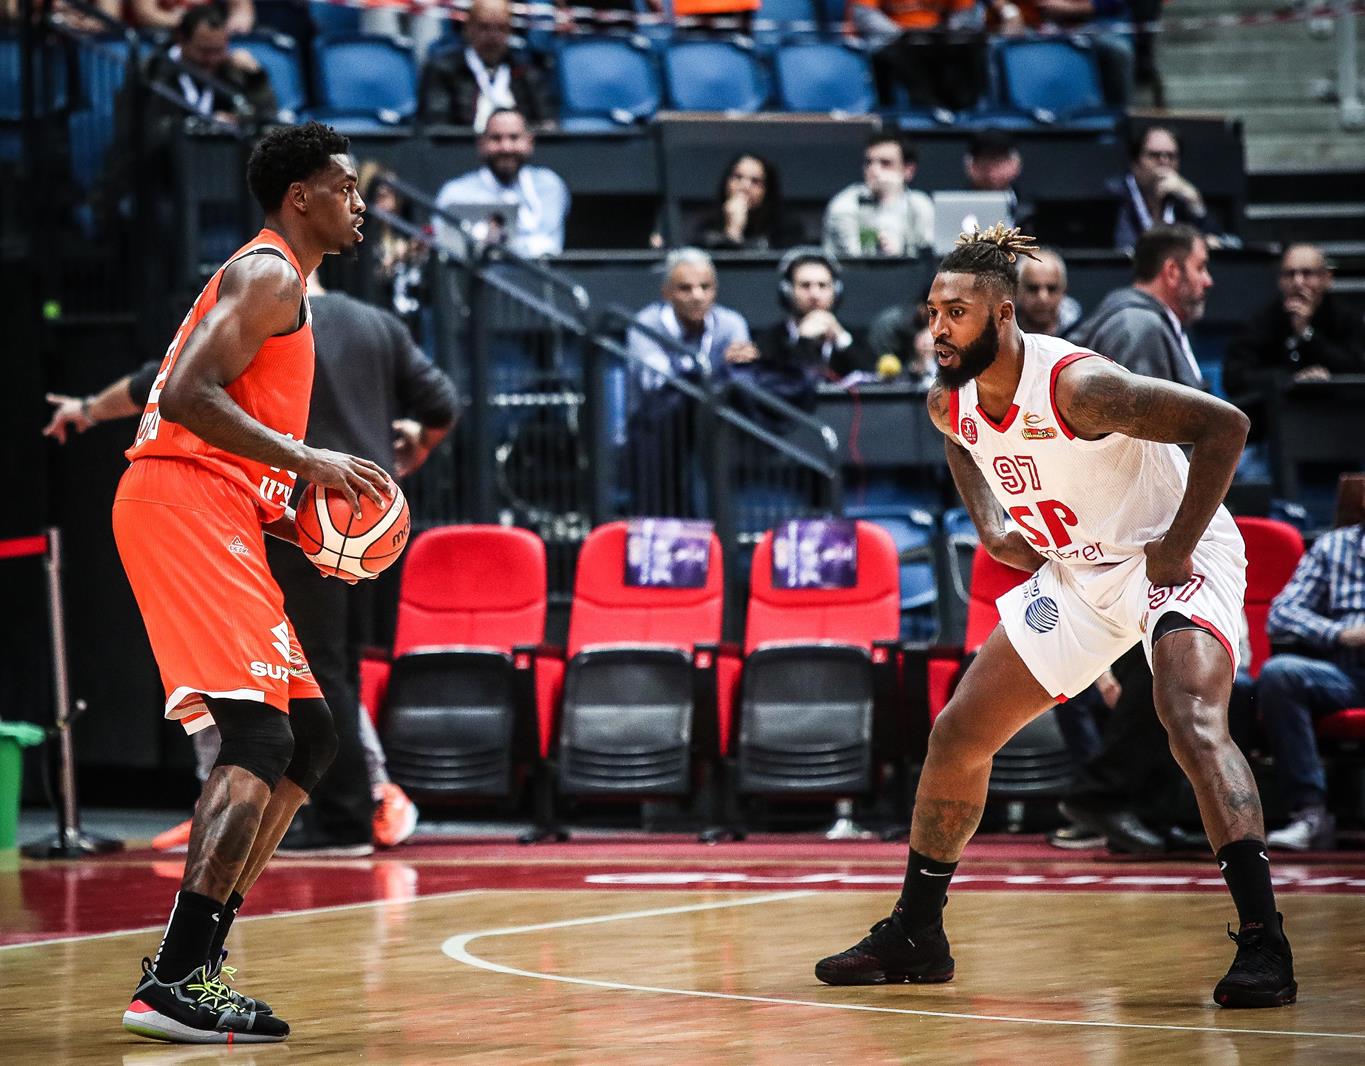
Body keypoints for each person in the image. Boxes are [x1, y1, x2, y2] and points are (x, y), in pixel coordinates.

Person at [816, 224, 1296, 1009]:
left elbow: (1224, 426)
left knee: (1187, 718)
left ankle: (1263, 939)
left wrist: (1175, 547)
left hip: (1170, 554)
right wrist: (989, 526)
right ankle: (916, 933)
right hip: (1078, 571)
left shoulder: (1080, 388)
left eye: (956, 313)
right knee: (958, 735)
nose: (937, 328)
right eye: (932, 313)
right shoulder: (949, 400)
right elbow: (959, 440)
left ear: (1002, 315)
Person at [110, 122, 391, 1044]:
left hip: (217, 506)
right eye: (345, 187)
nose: (359, 203)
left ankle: (197, 966)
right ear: (300, 197)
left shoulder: (282, 285)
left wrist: (294, 513)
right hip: (180, 502)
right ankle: (174, 980)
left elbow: (218, 418)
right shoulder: (269, 273)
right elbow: (185, 395)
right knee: (260, 734)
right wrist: (308, 461)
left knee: (311, 736)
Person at [43, 277, 457, 853]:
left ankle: (310, 817)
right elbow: (442, 405)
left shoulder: (263, 314)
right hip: (368, 526)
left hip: (285, 516)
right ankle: (352, 805)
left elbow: (157, 383)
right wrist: (418, 444)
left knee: (255, 677)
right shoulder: (377, 325)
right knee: (335, 672)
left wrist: (87, 410)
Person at [1257, 519, 1365, 851]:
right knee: (1281, 673)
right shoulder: (1335, 546)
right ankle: (1309, 814)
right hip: (1348, 672)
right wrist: (1340, 633)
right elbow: (1283, 613)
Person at [625, 248, 756, 513]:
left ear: (715, 290)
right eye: (685, 288)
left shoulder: (731, 323)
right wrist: (720, 368)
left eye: (705, 287)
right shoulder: (646, 324)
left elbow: (744, 380)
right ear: (666, 293)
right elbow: (657, 382)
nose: (697, 296)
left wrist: (744, 363)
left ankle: (721, 525)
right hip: (657, 428)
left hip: (713, 426)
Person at [1224, 243, 1365, 440]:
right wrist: (1292, 379)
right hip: (1272, 431)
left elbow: (1357, 367)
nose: (1298, 282)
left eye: (1307, 273)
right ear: (1280, 281)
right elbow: (1234, 377)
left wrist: (1307, 334)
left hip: (1339, 428)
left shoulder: (1347, 319)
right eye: (1290, 274)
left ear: (1327, 278)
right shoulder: (1262, 321)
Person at [1071, 223, 1211, 389]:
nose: (1208, 281)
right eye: (1200, 268)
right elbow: (1135, 404)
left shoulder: (1140, 320)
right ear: (1172, 271)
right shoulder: (1139, 327)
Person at [435, 108, 570, 258]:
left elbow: (547, 246)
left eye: (514, 137)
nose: (506, 147)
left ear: (530, 142)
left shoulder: (549, 187)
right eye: (496, 138)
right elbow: (444, 249)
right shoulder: (455, 193)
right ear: (481, 144)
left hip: (534, 272)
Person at [750, 248, 875, 401]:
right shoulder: (769, 341)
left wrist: (841, 339)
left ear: (836, 291)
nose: (815, 295)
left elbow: (873, 378)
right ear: (787, 291)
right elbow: (784, 387)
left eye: (822, 285)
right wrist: (803, 342)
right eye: (805, 286)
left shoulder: (854, 339)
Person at [417, 0, 550, 130]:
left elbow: (546, 124)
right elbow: (437, 128)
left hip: (514, 143)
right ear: (468, 28)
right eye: (484, 27)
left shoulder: (525, 71)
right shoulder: (443, 69)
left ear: (510, 30)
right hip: (462, 143)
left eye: (501, 28)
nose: (492, 36)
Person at [848, 0, 987, 113]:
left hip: (939, 37)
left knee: (969, 46)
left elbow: (965, 14)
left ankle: (965, 109)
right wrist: (901, 34)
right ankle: (926, 108)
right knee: (907, 51)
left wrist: (945, 33)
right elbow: (864, 13)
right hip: (891, 38)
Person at [823, 132, 934, 258]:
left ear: (908, 170)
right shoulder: (845, 206)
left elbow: (929, 256)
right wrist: (887, 201)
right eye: (869, 162)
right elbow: (855, 261)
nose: (874, 170)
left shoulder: (921, 204)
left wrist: (891, 198)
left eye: (885, 163)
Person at [1111, 125, 1216, 251]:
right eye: (1154, 155)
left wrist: (1195, 203)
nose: (1164, 162)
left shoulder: (1183, 200)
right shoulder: (1114, 198)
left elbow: (1215, 243)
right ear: (1135, 163)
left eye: (1171, 156)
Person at [690, 153, 800, 252]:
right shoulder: (707, 227)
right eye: (738, 177)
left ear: (767, 190)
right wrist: (733, 230)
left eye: (755, 181)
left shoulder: (786, 228)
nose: (745, 186)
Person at [1015, 247, 1081, 337]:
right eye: (1033, 289)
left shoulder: (1084, 337)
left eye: (1052, 289)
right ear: (1017, 290)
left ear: (1064, 290)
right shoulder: (1001, 332)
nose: (1043, 298)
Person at [127, 0, 254, 34]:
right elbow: (146, 14)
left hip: (207, 40)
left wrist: (237, 22)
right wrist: (191, 22)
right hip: (156, 42)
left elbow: (242, 10)